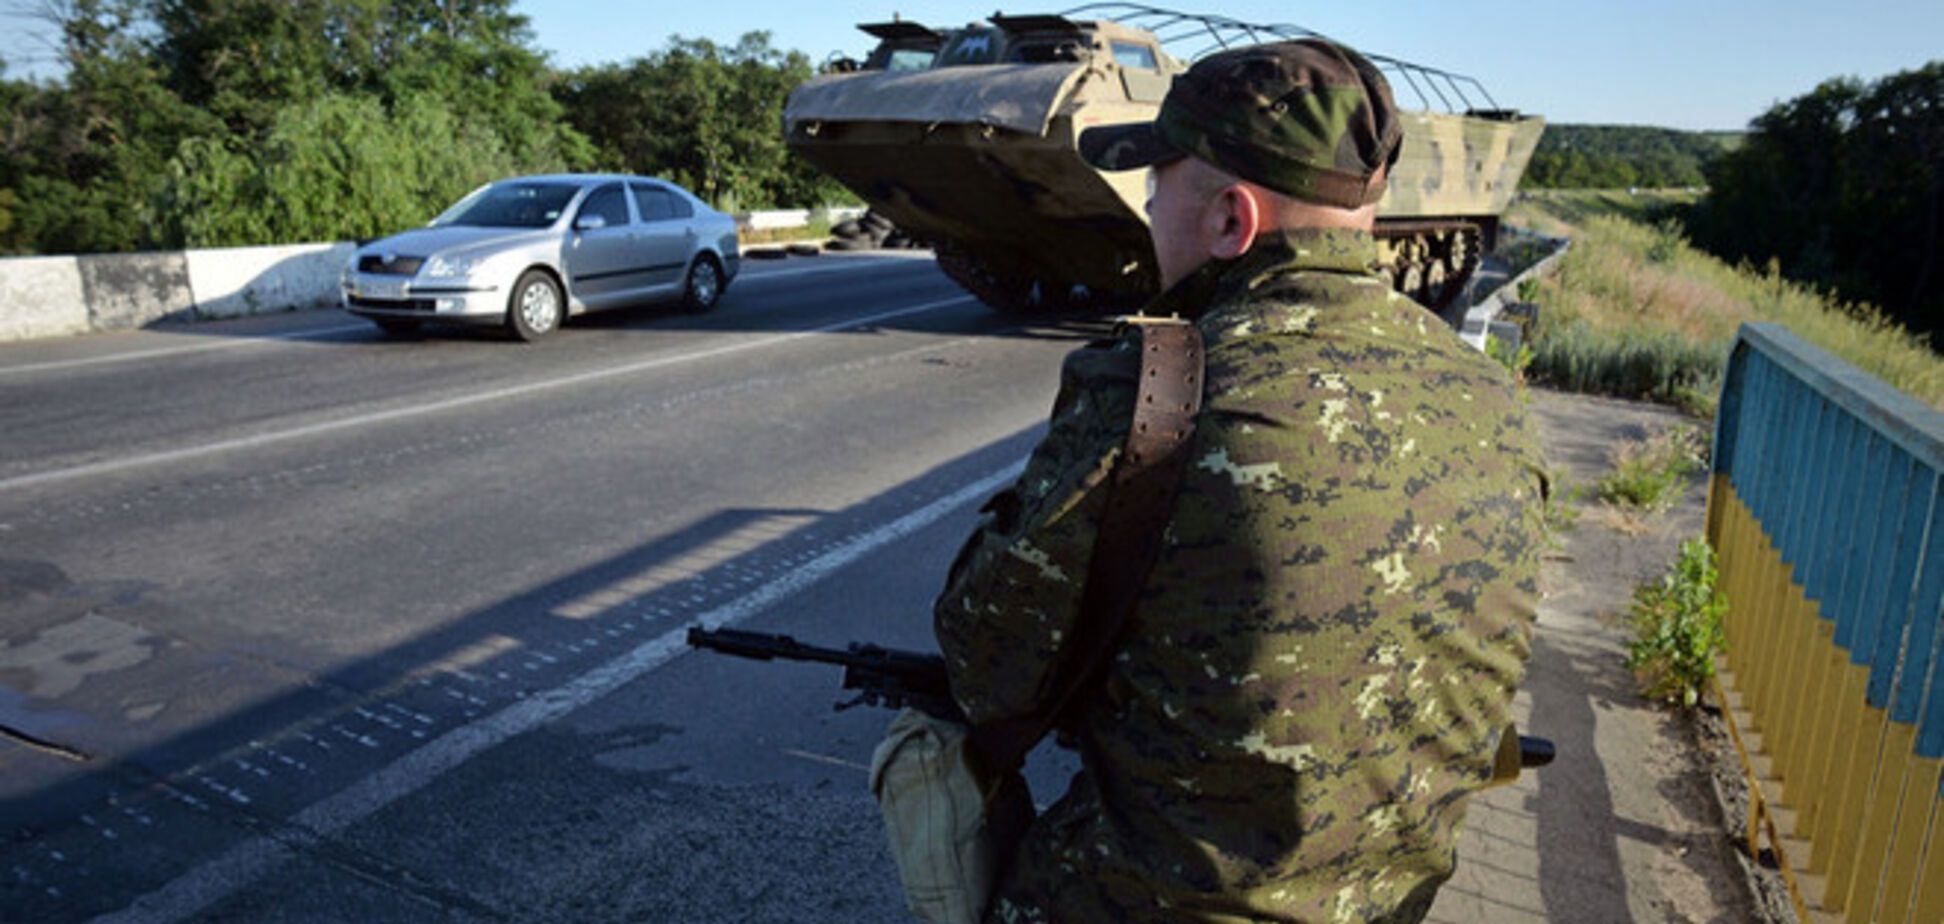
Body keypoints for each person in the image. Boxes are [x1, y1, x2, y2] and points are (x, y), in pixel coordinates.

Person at [931, 38, 1545, 923]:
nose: (1147, 213)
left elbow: (982, 661)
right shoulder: (1495, 400)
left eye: (1157, 189)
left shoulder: (1159, 389)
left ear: (1231, 221)